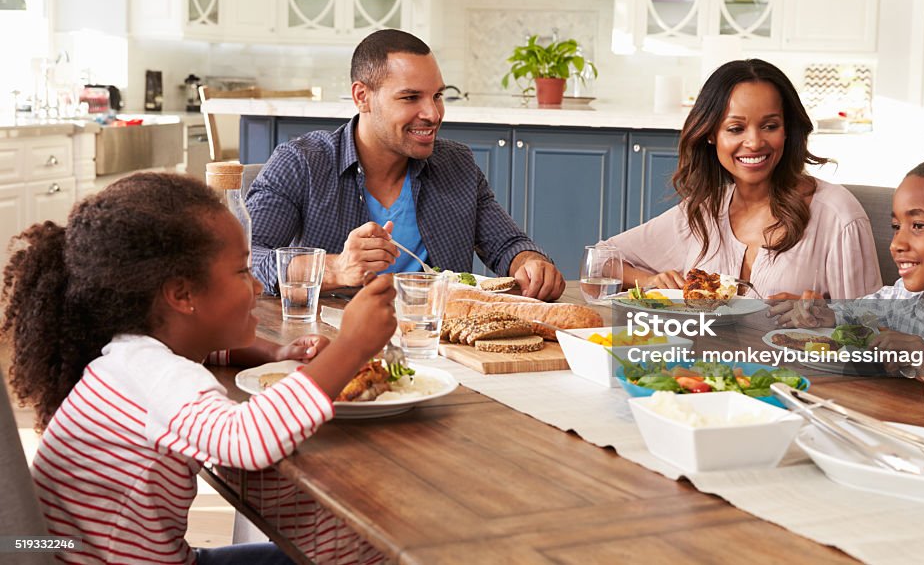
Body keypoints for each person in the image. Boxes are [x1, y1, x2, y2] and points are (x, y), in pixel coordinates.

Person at [0, 172, 398, 564]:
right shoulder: (157, 375)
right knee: (357, 549)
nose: (258, 286)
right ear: (182, 294)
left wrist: (271, 354)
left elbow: (197, 356)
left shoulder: (131, 357)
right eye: (243, 271)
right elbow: (247, 440)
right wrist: (352, 346)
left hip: (77, 554)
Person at [246, 29, 565, 300]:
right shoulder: (302, 163)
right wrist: (336, 267)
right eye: (411, 98)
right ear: (362, 97)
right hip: (334, 348)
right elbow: (244, 262)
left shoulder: (457, 164)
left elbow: (508, 245)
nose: (433, 113)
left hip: (437, 345)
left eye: (437, 95)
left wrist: (531, 263)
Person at [602, 59, 882, 299]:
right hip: (703, 361)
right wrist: (650, 281)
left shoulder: (838, 215)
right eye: (736, 128)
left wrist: (825, 316)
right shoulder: (703, 211)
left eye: (770, 126)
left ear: (787, 130)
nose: (754, 142)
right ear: (711, 134)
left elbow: (871, 331)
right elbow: (602, 259)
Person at [768, 155, 924, 396]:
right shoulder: (903, 297)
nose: (896, 243)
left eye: (919, 226)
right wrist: (827, 315)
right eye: (896, 227)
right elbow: (857, 313)